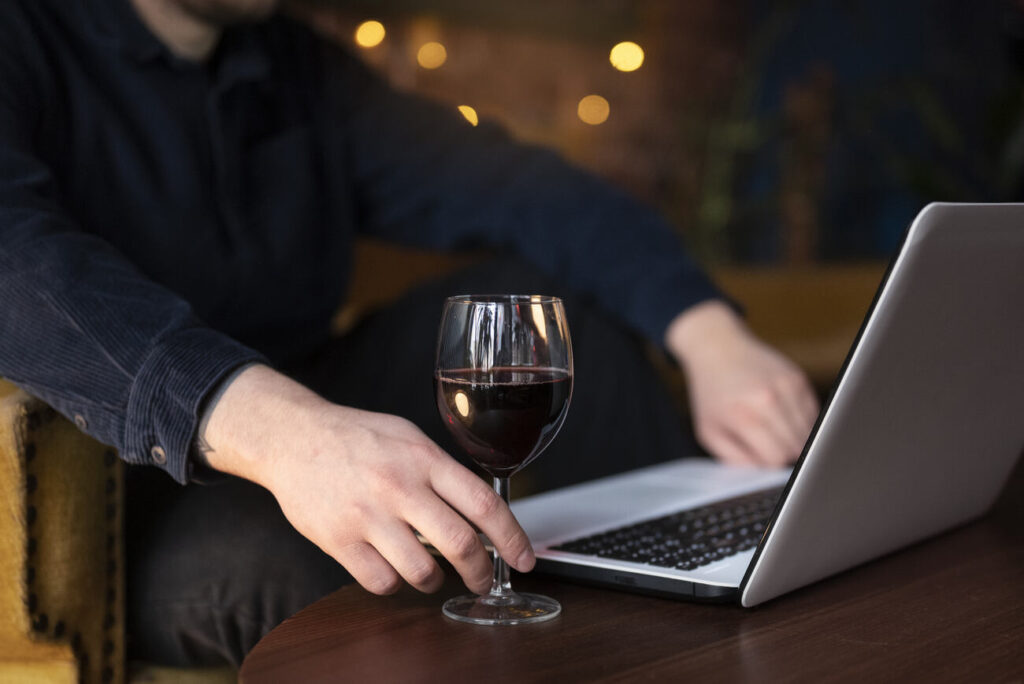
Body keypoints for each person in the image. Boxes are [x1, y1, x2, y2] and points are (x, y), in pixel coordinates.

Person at [0, 0, 819, 666]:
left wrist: (709, 334)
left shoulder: (299, 68)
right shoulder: (25, 37)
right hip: (120, 494)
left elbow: (522, 190)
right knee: (363, 565)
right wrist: (282, 433)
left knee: (549, 318)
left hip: (317, 410)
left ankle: (705, 635)